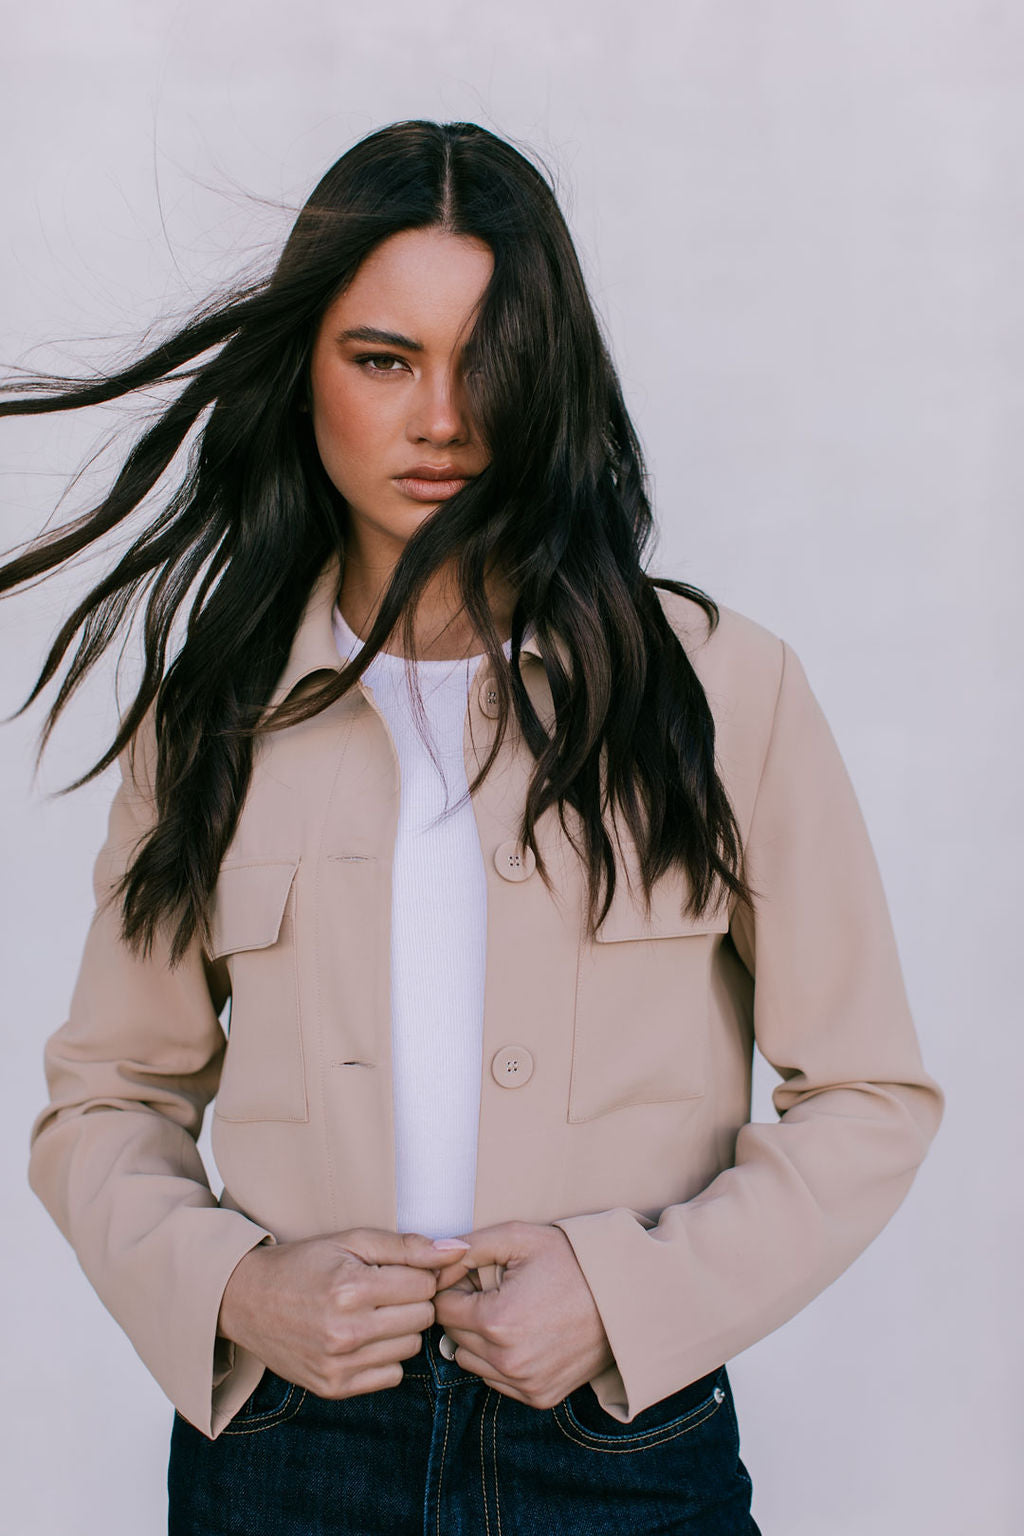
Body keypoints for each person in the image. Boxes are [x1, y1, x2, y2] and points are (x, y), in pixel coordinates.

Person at [2, 120, 944, 1535]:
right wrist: (241, 1293)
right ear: (307, 371)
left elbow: (870, 1094)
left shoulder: (720, 687)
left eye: (487, 359)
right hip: (283, 1457)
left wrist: (629, 1299)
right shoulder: (212, 713)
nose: (442, 418)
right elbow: (107, 1104)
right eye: (384, 360)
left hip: (618, 1454)